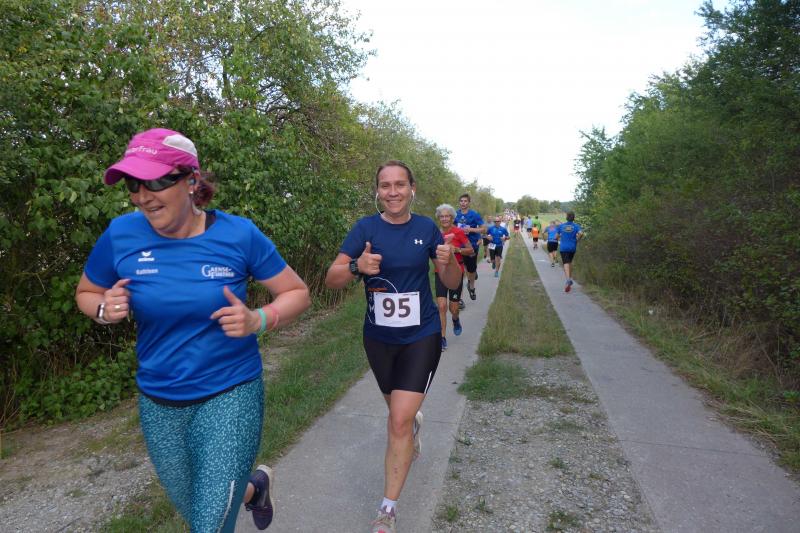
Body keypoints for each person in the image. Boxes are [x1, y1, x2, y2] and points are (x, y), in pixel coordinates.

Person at [74, 128, 311, 532]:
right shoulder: (121, 235)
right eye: (133, 184)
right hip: (159, 400)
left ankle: (241, 491)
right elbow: (86, 292)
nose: (143, 196)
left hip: (230, 393)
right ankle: (253, 490)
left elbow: (297, 292)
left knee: (209, 524)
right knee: (199, 507)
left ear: (191, 181)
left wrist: (258, 320)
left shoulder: (238, 234)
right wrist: (102, 308)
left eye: (155, 182)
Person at [324, 161, 462, 533]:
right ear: (377, 191)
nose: (393, 191)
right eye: (385, 185)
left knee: (397, 421)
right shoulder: (365, 229)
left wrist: (449, 262)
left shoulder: (427, 228)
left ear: (412, 189)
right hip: (379, 339)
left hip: (422, 335)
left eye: (400, 184)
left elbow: (451, 281)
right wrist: (357, 267)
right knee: (398, 413)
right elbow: (332, 278)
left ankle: (387, 510)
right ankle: (411, 427)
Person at [434, 203, 472, 351]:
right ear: (439, 218)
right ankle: (442, 338)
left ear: (452, 218)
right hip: (440, 272)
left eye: (447, 216)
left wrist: (456, 249)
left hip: (456, 272)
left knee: (453, 308)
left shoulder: (458, 232)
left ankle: (455, 319)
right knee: (441, 306)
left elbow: (470, 250)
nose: (444, 219)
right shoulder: (435, 233)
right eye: (442, 216)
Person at [454, 193, 486, 302]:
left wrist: (471, 229)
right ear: (459, 202)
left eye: (465, 201)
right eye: (461, 201)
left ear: (469, 202)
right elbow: (451, 227)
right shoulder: (455, 214)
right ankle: (459, 298)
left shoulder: (474, 215)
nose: (463, 203)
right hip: (458, 246)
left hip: (471, 245)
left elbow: (483, 229)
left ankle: (471, 287)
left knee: (471, 270)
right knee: (459, 270)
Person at [557, 211, 584, 292]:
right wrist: (577, 240)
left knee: (565, 263)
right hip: (572, 247)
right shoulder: (576, 226)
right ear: (573, 218)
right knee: (569, 262)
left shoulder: (561, 226)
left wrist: (559, 238)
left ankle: (568, 280)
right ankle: (570, 279)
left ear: (566, 217)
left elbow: (556, 236)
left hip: (564, 247)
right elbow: (581, 233)